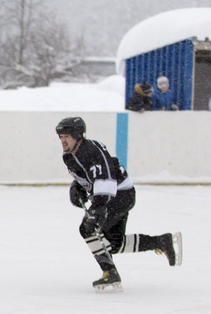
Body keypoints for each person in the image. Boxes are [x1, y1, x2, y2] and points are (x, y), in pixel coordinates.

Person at [55, 117, 182, 292]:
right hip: (118, 195)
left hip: (119, 195)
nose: (63, 140)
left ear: (78, 135)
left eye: (67, 136)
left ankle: (109, 272)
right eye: (61, 136)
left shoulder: (91, 151)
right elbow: (88, 174)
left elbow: (105, 175)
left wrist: (99, 205)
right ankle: (160, 242)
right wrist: (78, 186)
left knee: (87, 228)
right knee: (114, 244)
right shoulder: (70, 155)